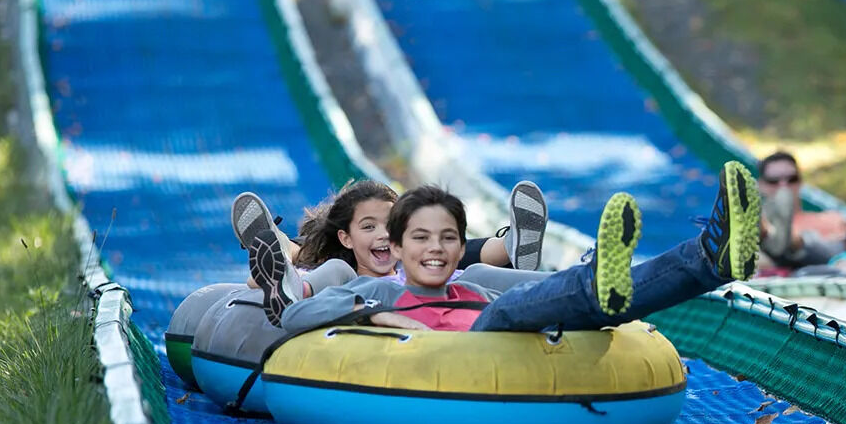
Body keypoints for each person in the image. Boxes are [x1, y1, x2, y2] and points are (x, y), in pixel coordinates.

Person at [249, 161, 762, 333]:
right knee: (511, 309)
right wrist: (380, 316)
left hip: (500, 317)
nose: (435, 249)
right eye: (420, 238)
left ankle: (709, 257)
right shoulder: (374, 290)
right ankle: (590, 281)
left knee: (572, 297)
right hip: (475, 341)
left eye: (447, 239)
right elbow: (296, 318)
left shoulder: (468, 281)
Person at [232, 179, 550, 296]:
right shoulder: (337, 276)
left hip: (423, 302)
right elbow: (256, 282)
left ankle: (545, 277)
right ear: (346, 238)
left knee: (467, 268)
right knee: (331, 266)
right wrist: (282, 278)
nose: (384, 234)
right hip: (355, 305)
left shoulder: (418, 272)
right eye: (369, 227)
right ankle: (280, 250)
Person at [757, 151, 846, 269]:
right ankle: (772, 236)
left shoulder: (830, 219)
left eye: (791, 179)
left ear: (801, 181)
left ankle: (787, 238)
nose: (784, 186)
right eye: (774, 181)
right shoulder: (751, 228)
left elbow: (845, 252)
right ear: (761, 185)